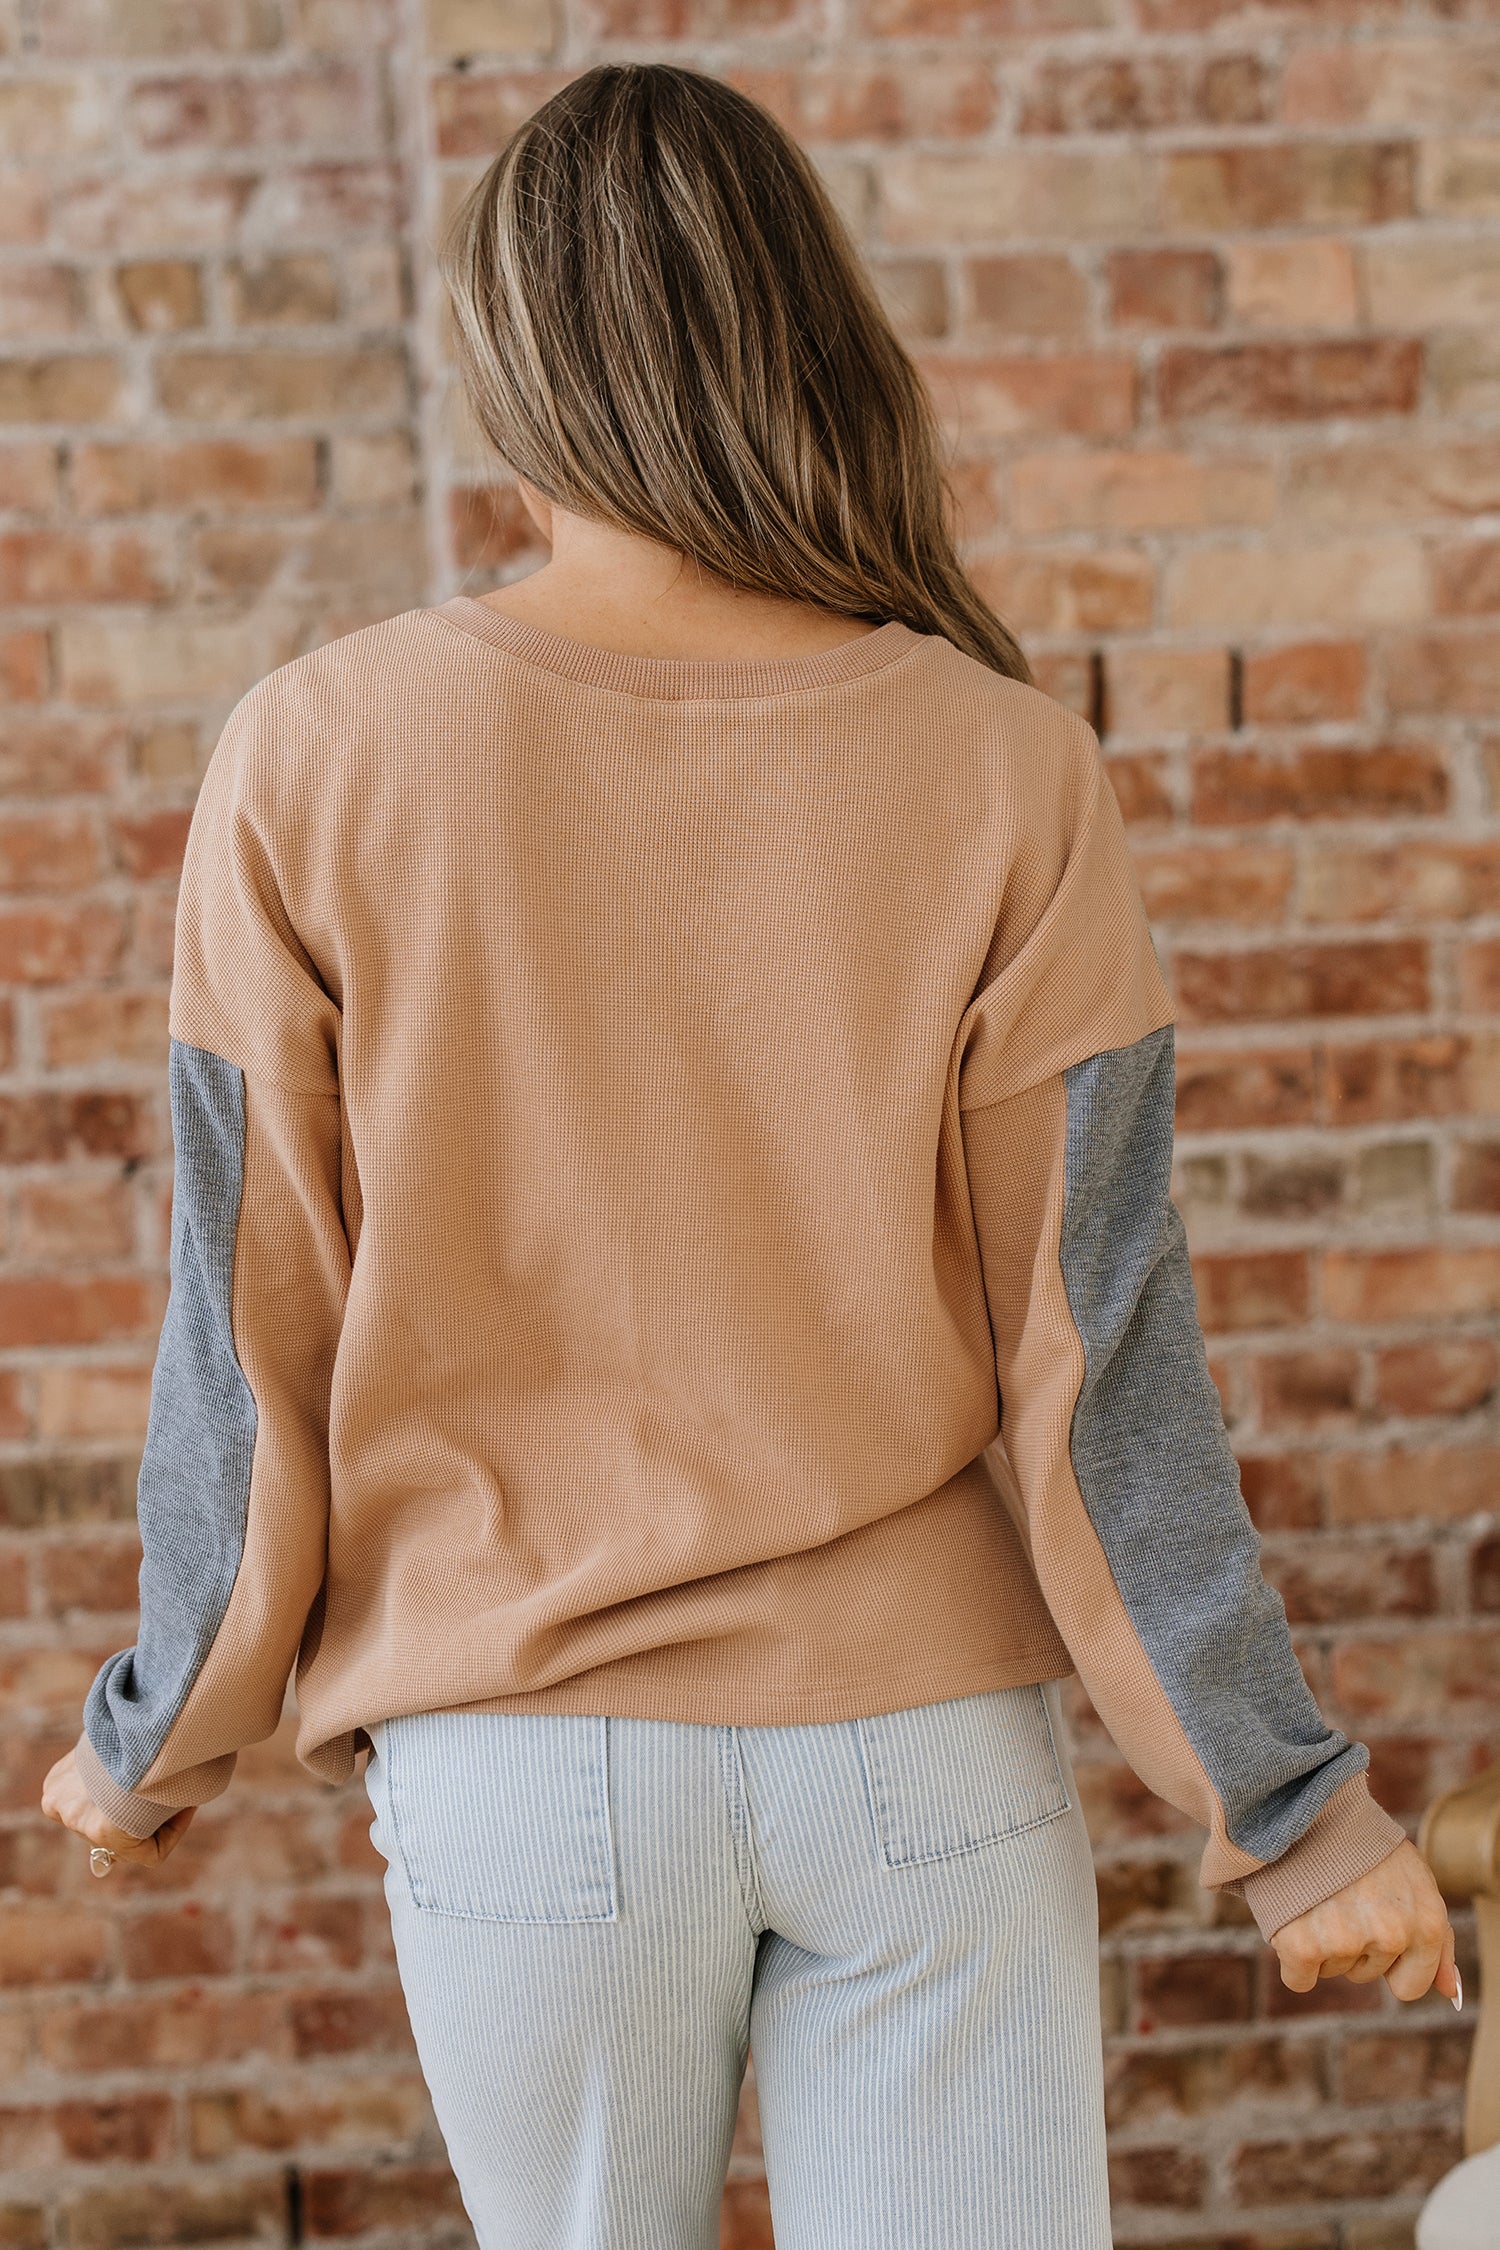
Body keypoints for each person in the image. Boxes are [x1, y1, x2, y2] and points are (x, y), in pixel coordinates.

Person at [43, 60, 1457, 2250]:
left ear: (512, 365)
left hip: (522, 1768)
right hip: (923, 1754)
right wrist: (1292, 1812)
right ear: (811, 332)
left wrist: (156, 1734)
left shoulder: (312, 752)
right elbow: (1099, 1363)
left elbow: (252, 1323)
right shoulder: (1007, 763)